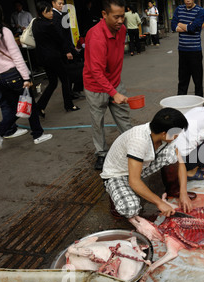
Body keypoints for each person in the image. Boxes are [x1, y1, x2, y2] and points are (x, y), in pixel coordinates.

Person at [100, 107, 194, 221]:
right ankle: (114, 194)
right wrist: (159, 203)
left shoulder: (161, 132)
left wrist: (183, 192)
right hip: (118, 174)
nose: (177, 137)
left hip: (138, 167)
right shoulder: (139, 140)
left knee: (172, 153)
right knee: (131, 208)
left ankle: (174, 189)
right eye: (176, 134)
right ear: (164, 134)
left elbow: (181, 162)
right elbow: (134, 181)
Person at [0, 1, 52, 149]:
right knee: (29, 104)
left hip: (0, 78)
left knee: (16, 108)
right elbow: (17, 57)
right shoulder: (4, 32)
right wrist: (26, 78)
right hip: (13, 74)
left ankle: (0, 131)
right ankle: (38, 135)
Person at [83, 0, 132, 171]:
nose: (120, 21)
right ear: (104, 15)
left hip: (115, 82)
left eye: (123, 17)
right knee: (98, 121)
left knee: (123, 117)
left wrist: (116, 88)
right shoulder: (96, 36)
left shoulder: (122, 30)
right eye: (116, 17)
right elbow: (96, 72)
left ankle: (132, 148)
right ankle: (101, 153)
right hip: (95, 86)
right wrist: (113, 93)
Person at [32, 1, 80, 118]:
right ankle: (69, 104)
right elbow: (59, 39)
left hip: (44, 58)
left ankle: (40, 106)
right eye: (48, 11)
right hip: (53, 57)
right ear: (43, 12)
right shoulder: (49, 25)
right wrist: (67, 51)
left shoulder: (36, 23)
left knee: (53, 82)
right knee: (65, 79)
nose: (51, 13)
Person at [171, 0, 204, 97]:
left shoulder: (200, 11)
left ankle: (199, 107)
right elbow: (173, 26)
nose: (188, 0)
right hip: (182, 51)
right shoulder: (179, 9)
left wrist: (180, 24)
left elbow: (193, 28)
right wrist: (187, 26)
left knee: (198, 82)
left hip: (195, 51)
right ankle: (181, 105)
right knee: (182, 81)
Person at [51, 0, 84, 100]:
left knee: (72, 70)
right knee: (75, 68)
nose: (62, 5)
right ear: (53, 3)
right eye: (59, 4)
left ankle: (73, 91)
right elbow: (61, 36)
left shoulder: (60, 14)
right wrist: (67, 50)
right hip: (64, 49)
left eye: (62, 3)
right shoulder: (55, 16)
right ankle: (72, 92)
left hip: (67, 46)